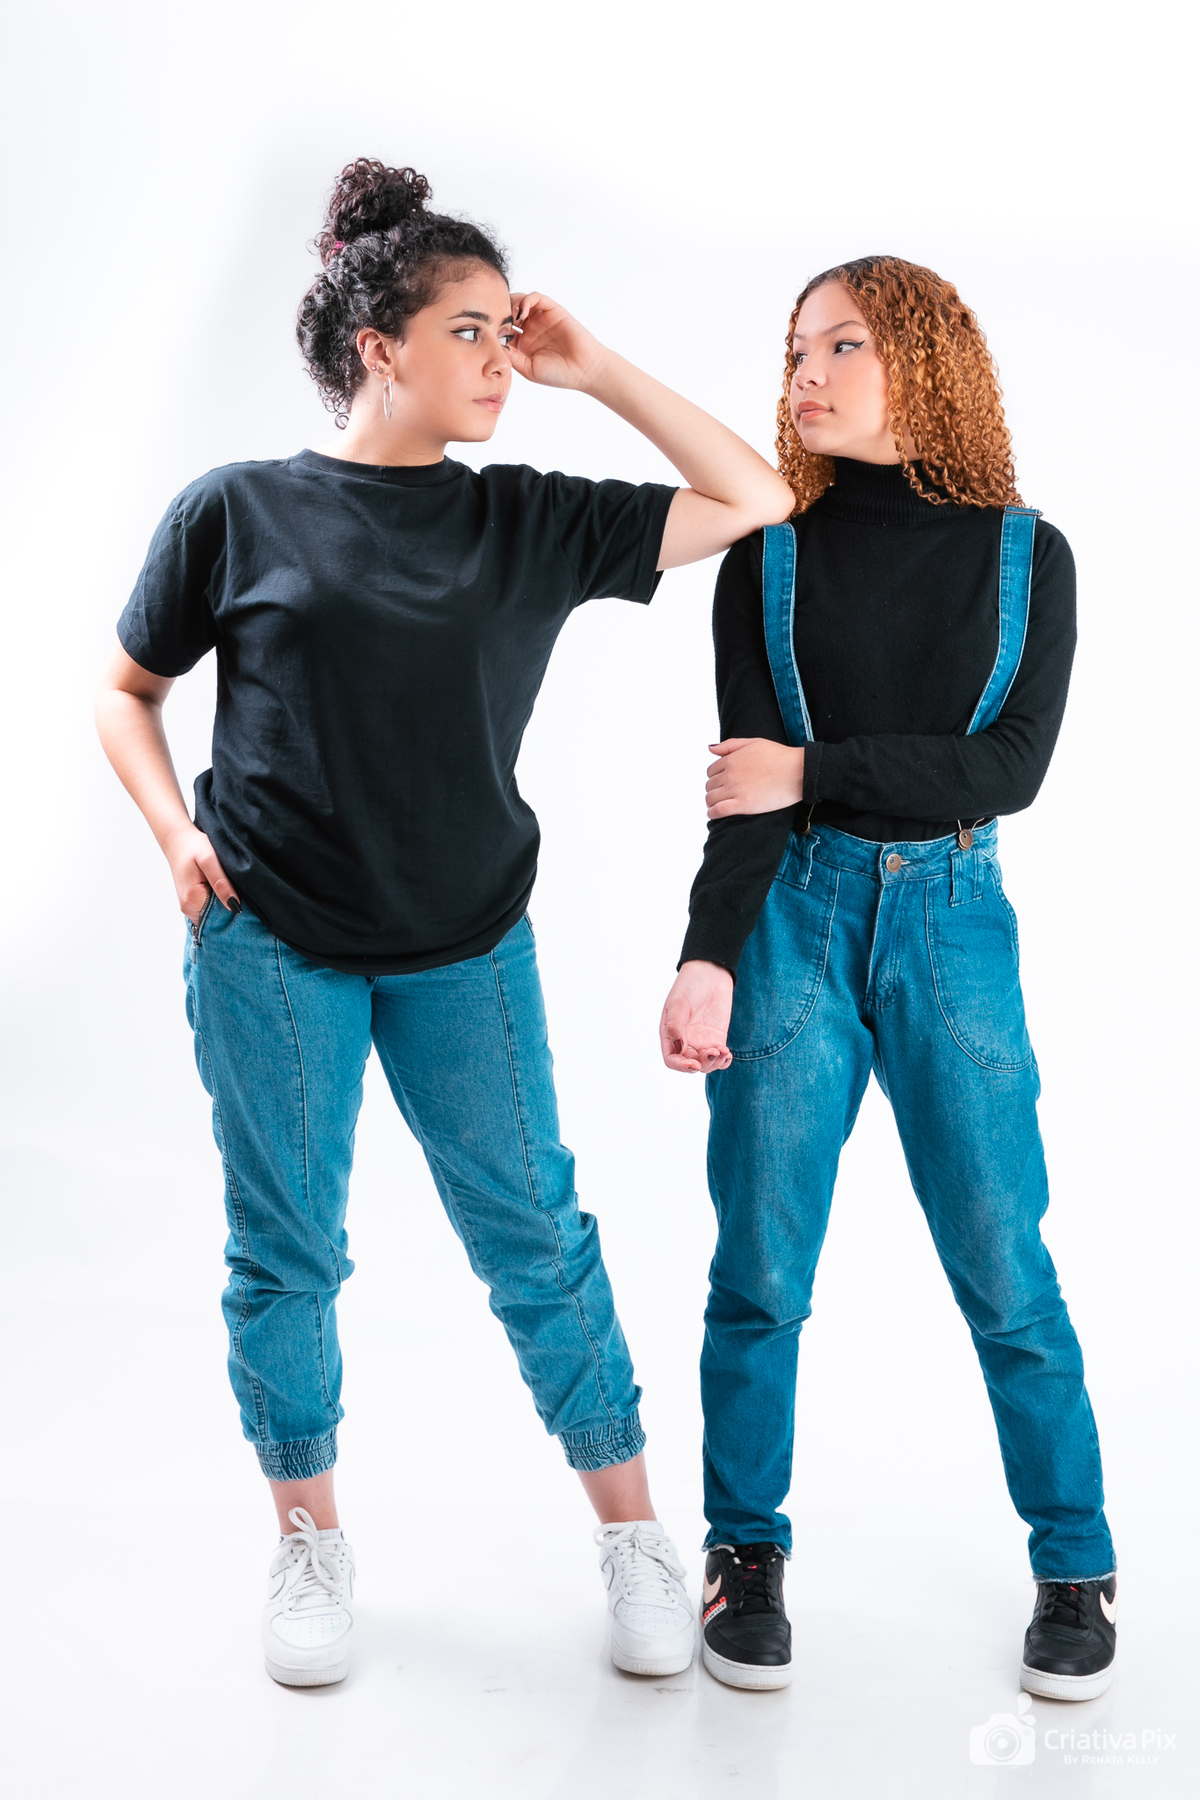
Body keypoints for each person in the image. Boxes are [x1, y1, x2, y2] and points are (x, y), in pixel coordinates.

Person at [95, 158, 794, 1688]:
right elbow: (127, 692)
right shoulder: (238, 509)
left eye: (506, 329)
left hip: (468, 944)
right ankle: (308, 1541)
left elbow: (760, 497)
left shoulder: (526, 520)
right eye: (469, 331)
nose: (500, 360)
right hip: (272, 942)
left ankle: (633, 1534)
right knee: (287, 1253)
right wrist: (173, 834)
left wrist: (597, 367)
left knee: (537, 1238)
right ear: (380, 349)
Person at [658, 257, 1116, 1699]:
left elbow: (1009, 769)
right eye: (797, 348)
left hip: (953, 924)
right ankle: (744, 1554)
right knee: (759, 1269)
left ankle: (1076, 1561)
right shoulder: (768, 557)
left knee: (1005, 1267)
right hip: (792, 916)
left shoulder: (1028, 555)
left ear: (922, 358)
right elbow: (745, 788)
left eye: (841, 344)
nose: (806, 373)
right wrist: (706, 957)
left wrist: (817, 770)